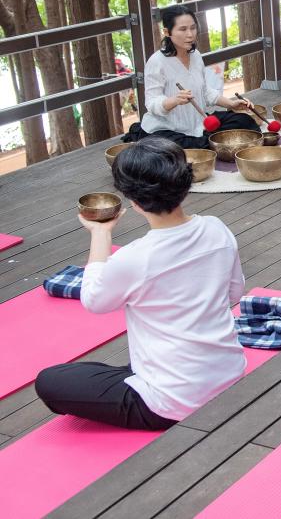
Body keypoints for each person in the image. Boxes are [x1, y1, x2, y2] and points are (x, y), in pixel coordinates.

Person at [35, 137, 247, 430]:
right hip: (229, 377)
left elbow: (94, 301)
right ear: (185, 186)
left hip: (171, 404)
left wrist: (100, 233)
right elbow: (234, 293)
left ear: (132, 200)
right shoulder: (216, 229)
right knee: (105, 371)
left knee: (50, 381)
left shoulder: (137, 257)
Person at [122, 5, 258, 149]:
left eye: (193, 28)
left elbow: (204, 91)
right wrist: (174, 100)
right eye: (182, 29)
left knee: (243, 121)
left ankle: (209, 143)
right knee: (190, 147)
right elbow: (151, 103)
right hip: (168, 128)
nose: (190, 34)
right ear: (167, 32)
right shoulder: (157, 62)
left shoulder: (196, 55)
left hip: (197, 121)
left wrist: (231, 104)